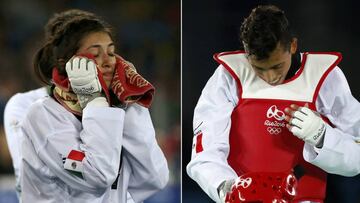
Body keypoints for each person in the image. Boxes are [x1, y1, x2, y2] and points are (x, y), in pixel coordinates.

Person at [186, 4, 360, 203]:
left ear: (292, 46)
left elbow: (357, 160)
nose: (270, 77)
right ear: (246, 52)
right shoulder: (228, 77)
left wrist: (321, 136)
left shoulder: (325, 78)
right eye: (259, 68)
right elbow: (204, 155)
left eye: (277, 66)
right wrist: (228, 189)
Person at [18, 9, 168, 203]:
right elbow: (97, 177)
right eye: (95, 55)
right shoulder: (43, 115)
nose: (108, 62)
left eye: (112, 53)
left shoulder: (115, 109)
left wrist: (129, 101)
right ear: (67, 64)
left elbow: (154, 179)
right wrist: (94, 101)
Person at [3, 9, 96, 198]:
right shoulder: (22, 105)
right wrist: (97, 162)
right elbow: (51, 165)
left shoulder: (104, 107)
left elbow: (147, 173)